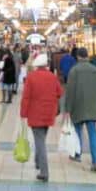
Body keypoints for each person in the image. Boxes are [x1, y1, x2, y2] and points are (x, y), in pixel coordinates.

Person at [20, 54, 63, 182]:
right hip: (49, 113)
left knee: (40, 142)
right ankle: (38, 161)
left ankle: (44, 172)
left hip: (35, 113)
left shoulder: (32, 77)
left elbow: (26, 97)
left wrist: (23, 113)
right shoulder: (52, 77)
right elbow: (60, 93)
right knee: (41, 139)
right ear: (46, 65)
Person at [64, 48, 96, 172]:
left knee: (77, 132)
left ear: (78, 57)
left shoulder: (74, 71)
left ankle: (77, 154)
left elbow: (69, 91)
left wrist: (67, 108)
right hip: (92, 107)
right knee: (93, 133)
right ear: (87, 56)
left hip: (78, 106)